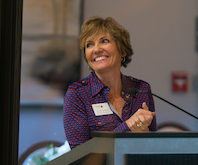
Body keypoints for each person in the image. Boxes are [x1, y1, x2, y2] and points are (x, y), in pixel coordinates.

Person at [63, 16, 156, 149]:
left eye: (104, 41)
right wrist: (128, 126)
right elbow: (79, 155)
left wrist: (142, 130)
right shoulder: (78, 94)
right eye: (89, 44)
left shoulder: (141, 89)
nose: (96, 49)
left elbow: (152, 146)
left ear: (122, 50)